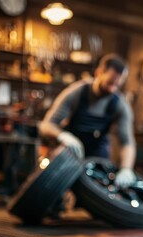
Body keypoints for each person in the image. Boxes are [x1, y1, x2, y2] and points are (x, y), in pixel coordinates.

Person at [39, 53, 136, 187]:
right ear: (98, 73)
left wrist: (126, 169)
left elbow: (127, 142)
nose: (112, 89)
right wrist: (62, 136)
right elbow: (46, 125)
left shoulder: (120, 104)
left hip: (97, 153)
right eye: (109, 83)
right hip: (71, 148)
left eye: (117, 85)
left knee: (101, 187)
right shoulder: (77, 92)